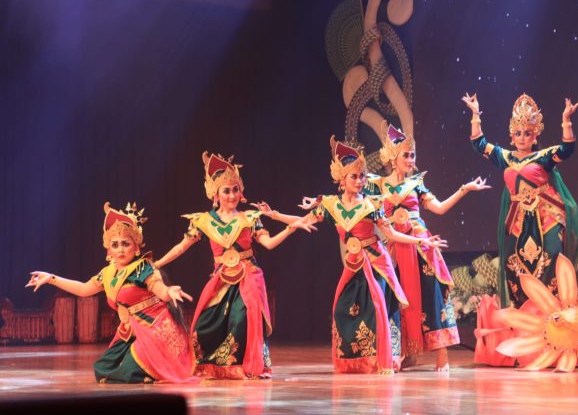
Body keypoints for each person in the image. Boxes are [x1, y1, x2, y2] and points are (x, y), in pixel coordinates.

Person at [260, 137, 447, 374]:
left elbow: (391, 233)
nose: (359, 181)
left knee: (377, 309)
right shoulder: (331, 205)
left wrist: (421, 240)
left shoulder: (372, 205)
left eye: (361, 177)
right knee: (343, 310)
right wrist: (275, 215)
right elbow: (304, 220)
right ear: (342, 180)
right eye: (354, 177)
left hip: (376, 263)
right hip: (353, 263)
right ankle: (354, 360)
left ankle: (385, 360)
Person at [154, 152, 312, 380]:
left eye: (235, 189)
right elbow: (181, 247)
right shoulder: (204, 220)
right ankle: (212, 365)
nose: (231, 195)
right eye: (226, 191)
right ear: (216, 194)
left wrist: (290, 228)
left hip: (248, 276)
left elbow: (268, 243)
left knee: (242, 319)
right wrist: (157, 263)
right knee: (204, 325)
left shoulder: (249, 218)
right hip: (221, 278)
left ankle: (244, 366)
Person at [365, 122, 490, 371]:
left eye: (412, 155)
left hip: (421, 246)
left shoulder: (417, 184)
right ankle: (404, 353)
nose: (410, 160)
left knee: (431, 297)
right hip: (394, 247)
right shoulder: (377, 186)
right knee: (395, 300)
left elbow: (440, 208)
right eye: (406, 155)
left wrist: (465, 189)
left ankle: (442, 354)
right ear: (393, 158)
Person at [27, 202, 194, 383]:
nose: (120, 249)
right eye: (115, 245)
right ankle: (144, 372)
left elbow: (160, 290)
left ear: (136, 247)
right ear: (109, 250)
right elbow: (83, 289)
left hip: (153, 327)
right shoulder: (107, 274)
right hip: (130, 330)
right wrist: (51, 278)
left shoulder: (142, 268)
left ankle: (149, 373)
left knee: (129, 368)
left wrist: (169, 291)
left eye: (125, 244)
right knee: (103, 368)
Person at [461, 92, 578, 308]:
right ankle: (524, 309)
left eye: (527, 133)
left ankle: (553, 307)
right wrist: (475, 114)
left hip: (546, 216)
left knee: (553, 255)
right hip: (518, 220)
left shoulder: (543, 156)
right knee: (512, 261)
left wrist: (566, 120)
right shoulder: (505, 157)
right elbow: (479, 144)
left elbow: (567, 149)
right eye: (518, 133)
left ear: (535, 136)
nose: (522, 138)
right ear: (511, 136)